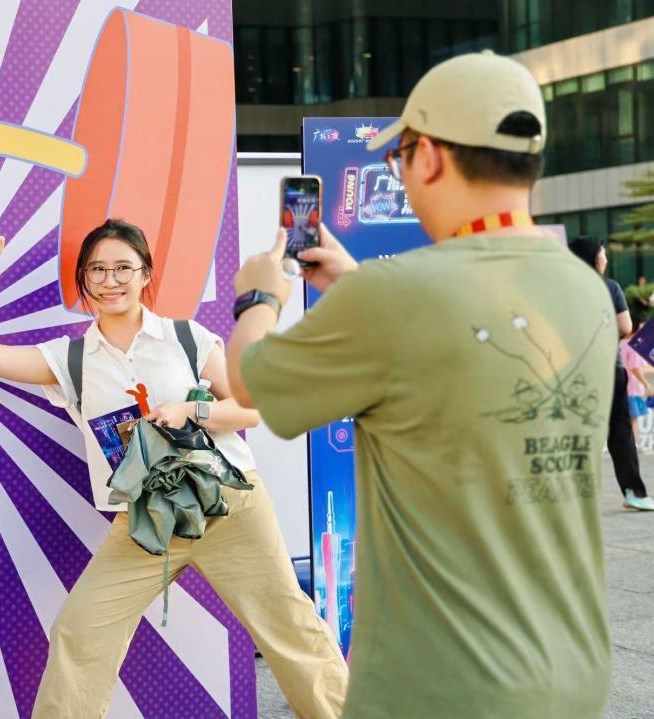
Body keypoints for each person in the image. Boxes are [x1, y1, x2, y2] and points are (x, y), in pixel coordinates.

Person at [226, 51, 617, 718]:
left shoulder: (396, 296)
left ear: (429, 156)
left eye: (399, 158)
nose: (401, 176)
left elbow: (247, 381)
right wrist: (357, 288)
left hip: (439, 684)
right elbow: (460, 350)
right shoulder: (584, 289)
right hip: (572, 671)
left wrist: (258, 297)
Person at [0, 219, 348, 718]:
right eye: (97, 269)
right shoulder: (71, 359)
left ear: (146, 274)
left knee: (291, 630)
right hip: (145, 523)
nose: (110, 280)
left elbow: (252, 409)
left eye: (124, 267)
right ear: (83, 279)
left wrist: (191, 411)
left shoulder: (185, 338)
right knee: (80, 631)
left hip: (228, 507)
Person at [569, 235, 654, 510]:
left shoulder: (562, 288)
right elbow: (625, 327)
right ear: (595, 258)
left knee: (575, 428)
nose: (606, 258)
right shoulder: (609, 287)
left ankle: (571, 497)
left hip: (570, 369)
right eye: (603, 253)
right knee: (619, 429)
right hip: (607, 366)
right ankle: (634, 493)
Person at [620, 326, 651, 453]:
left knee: (624, 420)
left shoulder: (621, 344)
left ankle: (631, 445)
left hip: (622, 386)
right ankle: (635, 445)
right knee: (633, 420)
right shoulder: (635, 346)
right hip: (633, 388)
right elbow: (635, 368)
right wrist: (646, 384)